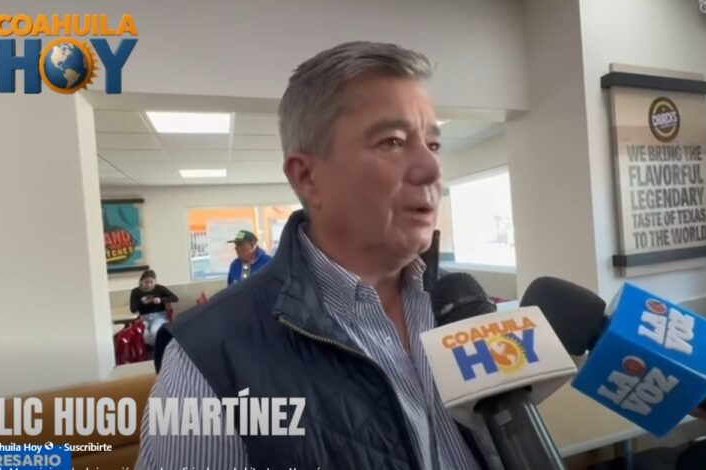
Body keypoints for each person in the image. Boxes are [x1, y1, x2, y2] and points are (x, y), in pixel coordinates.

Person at [137, 42, 493, 470]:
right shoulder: (206, 362)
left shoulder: (459, 303)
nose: (432, 170)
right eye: (393, 142)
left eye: (433, 145)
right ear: (308, 177)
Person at [129, 270, 178, 346]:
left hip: (159, 316)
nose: (149, 285)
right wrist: (142, 303)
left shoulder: (160, 288)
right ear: (141, 281)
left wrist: (161, 300)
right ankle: (159, 347)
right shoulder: (135, 292)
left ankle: (160, 348)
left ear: (155, 281)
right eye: (146, 282)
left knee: (155, 331)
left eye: (151, 282)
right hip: (144, 318)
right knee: (143, 335)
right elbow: (133, 309)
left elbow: (175, 298)